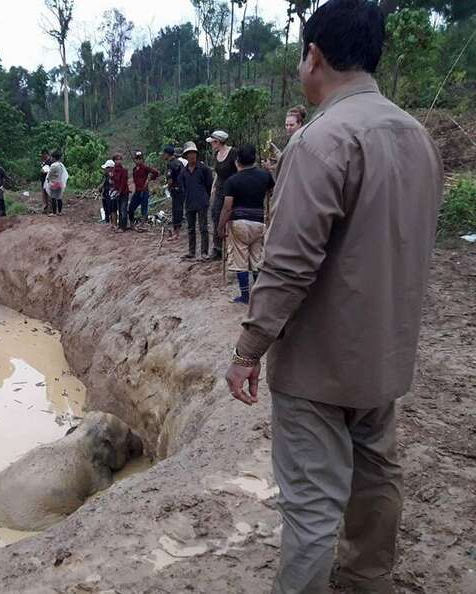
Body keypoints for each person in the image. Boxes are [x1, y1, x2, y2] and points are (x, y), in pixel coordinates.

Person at [223, 1, 444, 593]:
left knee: (312, 505)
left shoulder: (322, 141)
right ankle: (369, 581)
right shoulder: (418, 137)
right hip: (385, 357)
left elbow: (291, 262)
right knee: (375, 480)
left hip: (319, 367)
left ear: (313, 56)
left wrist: (249, 348)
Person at [217, 143, 274, 304]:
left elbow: (227, 208)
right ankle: (258, 295)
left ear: (237, 161)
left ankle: (245, 296)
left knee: (240, 261)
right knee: (257, 259)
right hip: (258, 222)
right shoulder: (265, 176)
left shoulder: (232, 181)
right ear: (254, 158)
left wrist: (220, 226)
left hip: (239, 223)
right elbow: (271, 191)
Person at [177, 142, 214, 261]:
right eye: (190, 154)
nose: (192, 156)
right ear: (186, 156)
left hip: (202, 202)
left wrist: (205, 197)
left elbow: (210, 185)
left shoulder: (204, 169)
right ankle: (191, 252)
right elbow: (182, 187)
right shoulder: (183, 172)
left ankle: (204, 252)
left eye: (194, 154)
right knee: (191, 228)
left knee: (203, 228)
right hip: (189, 202)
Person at [206, 131, 237, 260]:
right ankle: (217, 248)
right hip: (220, 189)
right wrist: (213, 187)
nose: (211, 145)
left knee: (230, 216)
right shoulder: (217, 154)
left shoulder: (233, 153)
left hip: (232, 190)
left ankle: (231, 247)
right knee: (215, 215)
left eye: (212, 142)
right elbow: (217, 173)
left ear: (217, 142)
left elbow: (239, 169)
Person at [128, 151, 159, 228]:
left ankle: (142, 224)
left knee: (143, 208)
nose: (138, 160)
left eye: (140, 159)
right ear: (134, 159)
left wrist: (149, 179)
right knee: (131, 208)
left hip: (144, 191)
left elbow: (156, 173)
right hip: (137, 191)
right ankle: (132, 223)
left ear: (142, 159)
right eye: (137, 159)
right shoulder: (134, 169)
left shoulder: (145, 167)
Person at [162, 145, 185, 241]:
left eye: (164, 154)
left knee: (176, 210)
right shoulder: (179, 163)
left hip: (176, 190)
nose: (163, 156)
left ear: (167, 154)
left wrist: (167, 186)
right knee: (179, 210)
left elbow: (170, 179)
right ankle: (177, 231)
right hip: (182, 189)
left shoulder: (171, 164)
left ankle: (176, 234)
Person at [45, 151, 69, 216]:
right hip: (60, 183)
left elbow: (49, 174)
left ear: (54, 158)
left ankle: (54, 212)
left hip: (54, 183)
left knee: (53, 198)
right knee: (59, 198)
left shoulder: (53, 165)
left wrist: (47, 179)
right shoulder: (61, 165)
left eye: (52, 157)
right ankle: (60, 212)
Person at [111, 154, 130, 231]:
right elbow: (114, 182)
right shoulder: (113, 170)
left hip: (124, 192)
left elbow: (123, 182)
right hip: (118, 192)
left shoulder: (124, 170)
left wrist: (119, 191)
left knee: (123, 209)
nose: (118, 161)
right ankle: (120, 226)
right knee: (119, 209)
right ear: (114, 161)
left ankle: (123, 227)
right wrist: (114, 190)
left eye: (120, 159)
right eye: (117, 160)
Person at [98, 160, 116, 225]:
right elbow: (103, 183)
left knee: (110, 208)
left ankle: (111, 222)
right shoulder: (106, 175)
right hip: (105, 193)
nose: (105, 169)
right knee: (106, 207)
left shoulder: (113, 175)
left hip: (110, 194)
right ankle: (107, 220)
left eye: (106, 168)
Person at [40, 149, 53, 214]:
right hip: (43, 180)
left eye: (43, 154)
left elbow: (50, 171)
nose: (42, 156)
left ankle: (50, 209)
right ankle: (45, 208)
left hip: (48, 180)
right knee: (44, 195)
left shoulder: (50, 161)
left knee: (49, 195)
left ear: (46, 154)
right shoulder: (43, 161)